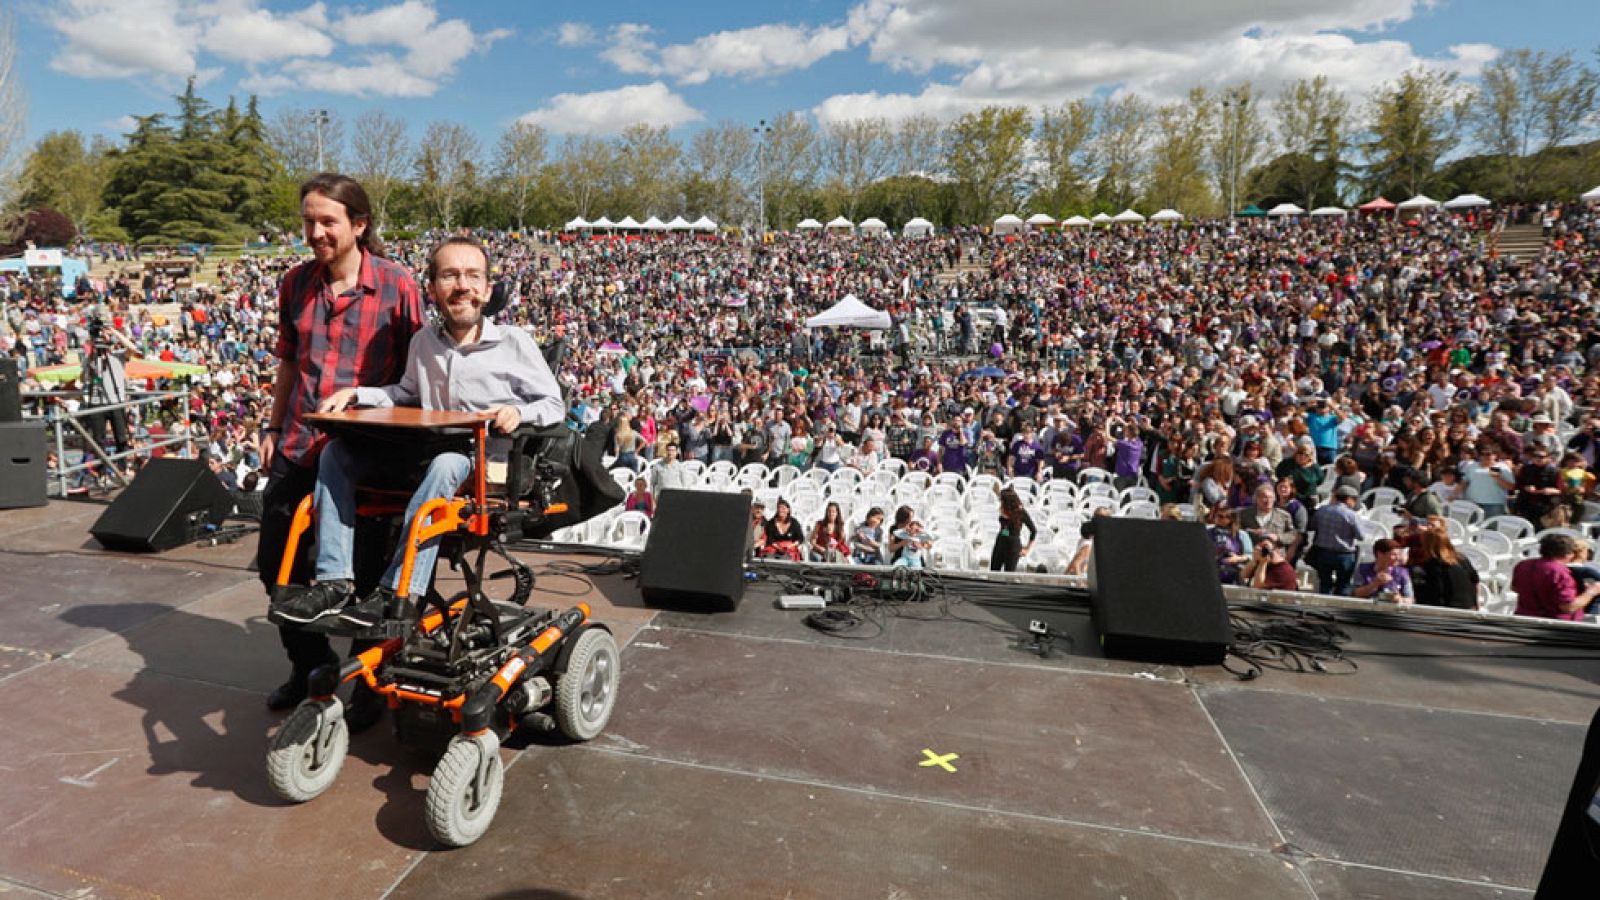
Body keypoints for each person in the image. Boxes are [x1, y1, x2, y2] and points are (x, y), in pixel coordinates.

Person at [271, 235, 563, 635]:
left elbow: (554, 406)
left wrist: (518, 411)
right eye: (450, 275)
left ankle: (397, 590)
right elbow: (405, 394)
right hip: (422, 454)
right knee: (336, 454)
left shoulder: (515, 343)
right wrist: (358, 394)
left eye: (472, 276)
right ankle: (334, 581)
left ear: (488, 289)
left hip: (482, 463)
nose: (462, 285)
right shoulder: (423, 342)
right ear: (432, 289)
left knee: (448, 463)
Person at [257, 173, 426, 715]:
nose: (315, 232)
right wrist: (271, 426)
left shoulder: (398, 284)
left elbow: (416, 373)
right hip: (300, 444)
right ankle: (311, 669)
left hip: (367, 455)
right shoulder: (294, 283)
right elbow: (288, 361)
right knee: (274, 565)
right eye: (308, 220)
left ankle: (367, 685)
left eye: (327, 221)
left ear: (359, 224)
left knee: (367, 573)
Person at [1511, 533, 1600, 620]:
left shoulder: (1523, 565)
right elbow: (1568, 607)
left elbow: (1514, 588)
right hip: (1558, 627)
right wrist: (1591, 592)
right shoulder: (1559, 572)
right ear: (1568, 554)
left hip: (1524, 619)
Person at [1305, 486, 1364, 596]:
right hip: (1344, 555)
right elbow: (1361, 536)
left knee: (1324, 583)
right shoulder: (1351, 515)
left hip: (1323, 553)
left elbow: (1312, 526)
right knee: (1343, 585)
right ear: (1349, 499)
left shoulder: (1322, 510)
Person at [1410, 527, 1480, 610]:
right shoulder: (1462, 559)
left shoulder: (1429, 566)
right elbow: (1475, 582)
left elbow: (1426, 596)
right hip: (1468, 608)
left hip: (1444, 612)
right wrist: (1477, 605)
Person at [989, 487, 1037, 572]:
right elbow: (1004, 527)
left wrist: (1027, 548)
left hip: (1013, 544)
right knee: (994, 570)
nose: (1001, 502)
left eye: (1002, 500)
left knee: (1009, 574)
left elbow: (1033, 530)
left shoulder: (1020, 512)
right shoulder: (1003, 508)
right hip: (1001, 540)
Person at [1206, 505, 1253, 585]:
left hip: (1234, 570)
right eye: (1220, 516)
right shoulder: (1207, 532)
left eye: (1227, 517)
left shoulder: (1241, 534)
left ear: (1232, 519)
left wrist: (1237, 558)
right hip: (1211, 570)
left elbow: (1250, 555)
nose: (1223, 519)